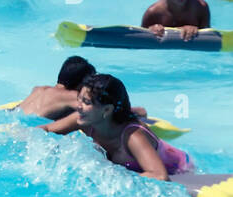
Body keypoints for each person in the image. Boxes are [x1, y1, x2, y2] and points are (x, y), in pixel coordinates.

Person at [43, 74, 195, 181]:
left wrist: (113, 176)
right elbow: (47, 129)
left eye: (86, 102)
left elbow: (160, 176)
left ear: (107, 110)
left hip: (179, 170)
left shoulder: (133, 136)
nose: (79, 107)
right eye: (79, 100)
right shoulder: (85, 121)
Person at [16, 56, 99, 119]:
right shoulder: (71, 96)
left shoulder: (39, 89)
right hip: (26, 132)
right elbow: (98, 109)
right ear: (82, 83)